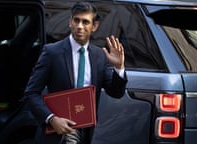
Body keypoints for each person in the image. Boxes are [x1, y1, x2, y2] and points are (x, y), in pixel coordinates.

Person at [24, 1, 127, 144]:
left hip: (86, 131)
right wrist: (51, 118)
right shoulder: (52, 52)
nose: (80, 26)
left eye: (85, 22)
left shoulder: (99, 56)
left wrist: (119, 68)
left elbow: (116, 92)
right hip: (57, 131)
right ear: (70, 22)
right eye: (76, 20)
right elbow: (31, 93)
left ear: (94, 26)